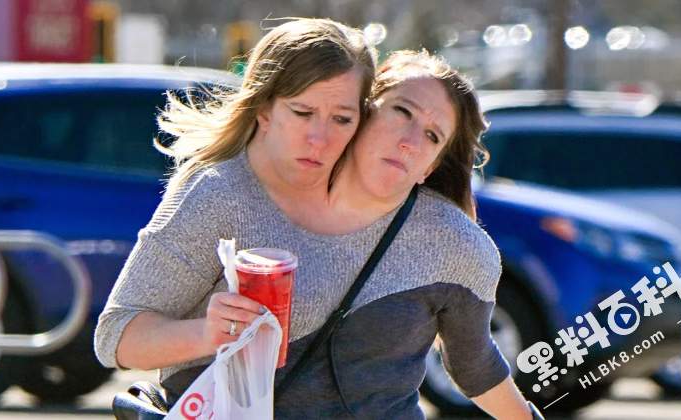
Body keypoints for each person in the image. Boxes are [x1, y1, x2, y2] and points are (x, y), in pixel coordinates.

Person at [95, 21, 540, 419]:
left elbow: (475, 366)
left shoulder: (456, 245)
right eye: (401, 111)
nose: (319, 136)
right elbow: (115, 336)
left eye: (431, 135)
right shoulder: (220, 193)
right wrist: (209, 333)